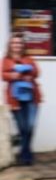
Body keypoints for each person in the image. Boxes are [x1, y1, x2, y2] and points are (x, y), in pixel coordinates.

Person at [2, 33, 42, 166]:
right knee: (22, 128)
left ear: (23, 45)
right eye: (14, 43)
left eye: (19, 43)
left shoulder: (29, 58)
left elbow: (36, 72)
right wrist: (13, 75)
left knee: (30, 126)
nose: (17, 45)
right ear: (10, 45)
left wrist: (29, 74)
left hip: (32, 98)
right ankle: (26, 155)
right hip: (15, 99)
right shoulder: (6, 60)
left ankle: (24, 152)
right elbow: (3, 74)